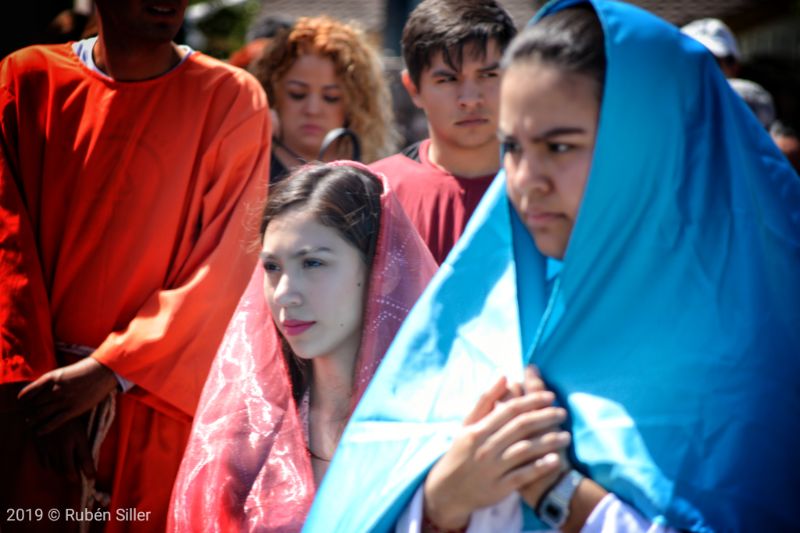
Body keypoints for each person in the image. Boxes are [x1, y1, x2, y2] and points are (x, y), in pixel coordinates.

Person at [304, 1, 800, 532]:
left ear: (650, 145)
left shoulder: (755, 350)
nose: (525, 181)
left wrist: (554, 489)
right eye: (512, 147)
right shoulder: (483, 308)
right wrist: (440, 502)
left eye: (560, 146)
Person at [0, 0, 270, 531]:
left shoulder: (231, 98)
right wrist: (41, 389)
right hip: (31, 401)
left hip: (155, 409)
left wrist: (110, 369)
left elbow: (225, 270)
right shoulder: (25, 79)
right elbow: (7, 247)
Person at [168, 162, 437, 531]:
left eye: (312, 263)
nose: (284, 294)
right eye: (272, 268)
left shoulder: (429, 423)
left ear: (384, 269)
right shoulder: (249, 432)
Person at [370, 0, 517, 264]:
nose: (470, 99)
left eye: (488, 75)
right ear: (413, 88)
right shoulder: (375, 192)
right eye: (448, 79)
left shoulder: (554, 186)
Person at [251, 16, 398, 182]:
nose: (312, 109)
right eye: (297, 94)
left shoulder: (376, 178)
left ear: (356, 104)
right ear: (271, 93)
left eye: (331, 97)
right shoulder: (250, 169)